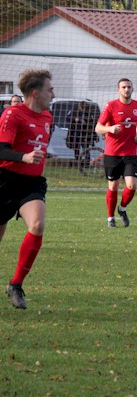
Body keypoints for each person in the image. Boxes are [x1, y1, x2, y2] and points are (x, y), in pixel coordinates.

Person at [0, 70, 54, 309]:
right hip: (5, 180)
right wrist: (24, 156)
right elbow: (1, 150)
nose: (52, 94)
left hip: (31, 183)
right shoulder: (12, 114)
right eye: (49, 89)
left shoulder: (48, 117)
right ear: (36, 92)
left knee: (38, 224)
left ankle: (16, 284)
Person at [95, 78, 137, 228]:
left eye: (129, 87)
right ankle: (110, 218)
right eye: (123, 87)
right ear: (118, 90)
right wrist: (110, 129)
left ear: (132, 89)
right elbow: (98, 127)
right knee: (114, 186)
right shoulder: (111, 106)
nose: (126, 89)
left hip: (129, 153)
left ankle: (122, 209)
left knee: (132, 185)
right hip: (112, 153)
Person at [66, 101, 97, 175]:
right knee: (76, 149)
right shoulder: (74, 111)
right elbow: (67, 118)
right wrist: (77, 119)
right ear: (79, 107)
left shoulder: (89, 114)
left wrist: (91, 133)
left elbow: (93, 123)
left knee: (86, 148)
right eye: (82, 107)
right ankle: (77, 162)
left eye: (84, 108)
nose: (83, 109)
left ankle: (87, 164)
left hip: (85, 134)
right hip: (75, 134)